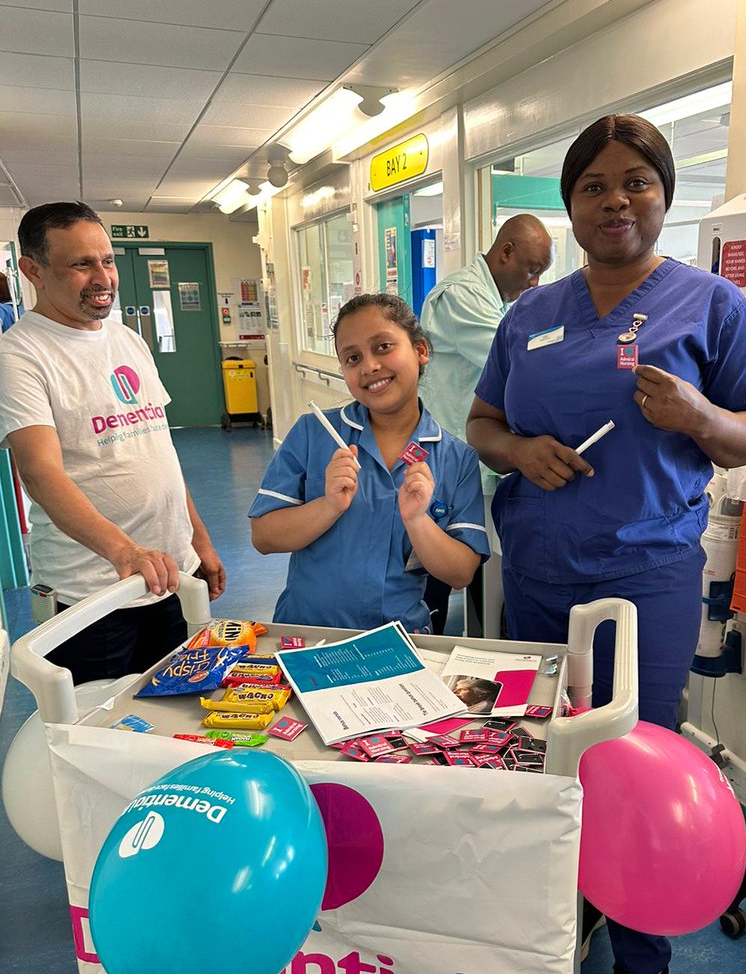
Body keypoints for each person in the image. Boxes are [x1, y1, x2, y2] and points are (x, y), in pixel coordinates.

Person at [467, 114, 746, 974]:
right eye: (595, 186)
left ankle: (643, 967)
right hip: (541, 566)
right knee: (548, 753)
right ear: (567, 208)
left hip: (647, 570)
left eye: (636, 181)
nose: (616, 200)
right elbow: (482, 421)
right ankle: (573, 904)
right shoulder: (530, 313)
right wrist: (519, 450)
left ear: (664, 193)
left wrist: (699, 415)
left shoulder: (711, 306)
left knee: (638, 762)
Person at [0, 202, 225, 683]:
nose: (103, 277)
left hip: (170, 576)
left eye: (107, 260)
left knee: (175, 714)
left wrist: (197, 538)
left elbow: (159, 450)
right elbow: (41, 472)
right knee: (100, 729)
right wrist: (125, 552)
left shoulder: (127, 339)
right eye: (82, 264)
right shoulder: (19, 354)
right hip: (94, 593)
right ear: (33, 270)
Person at [249, 293, 490, 632]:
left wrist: (418, 521)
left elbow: (461, 572)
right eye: (352, 357)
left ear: (421, 351)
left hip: (398, 638)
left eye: (382, 347)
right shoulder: (314, 433)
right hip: (308, 632)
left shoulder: (456, 459)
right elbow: (264, 536)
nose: (369, 366)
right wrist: (329, 506)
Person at [420, 214, 553, 630]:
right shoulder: (462, 295)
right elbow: (519, 358)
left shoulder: (493, 300)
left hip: (473, 462)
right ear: (505, 251)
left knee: (474, 565)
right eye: (531, 271)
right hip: (449, 459)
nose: (533, 284)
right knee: (437, 571)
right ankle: (430, 660)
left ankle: (469, 651)